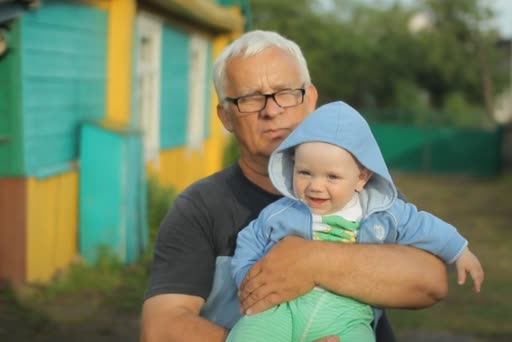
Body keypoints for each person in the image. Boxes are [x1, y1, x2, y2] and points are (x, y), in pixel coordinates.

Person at [140, 30, 449, 342]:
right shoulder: (199, 208)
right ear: (226, 116)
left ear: (311, 98)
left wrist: (313, 261)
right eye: (249, 98)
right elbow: (161, 328)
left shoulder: (362, 190)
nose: (272, 110)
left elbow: (430, 281)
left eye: (285, 92)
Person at [226, 101, 484, 342]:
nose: (316, 186)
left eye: (332, 177)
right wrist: (247, 281)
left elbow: (422, 225)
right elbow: (250, 239)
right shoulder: (282, 212)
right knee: (248, 333)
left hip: (347, 318)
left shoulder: (382, 213)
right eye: (305, 172)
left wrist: (458, 250)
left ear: (361, 177)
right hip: (282, 310)